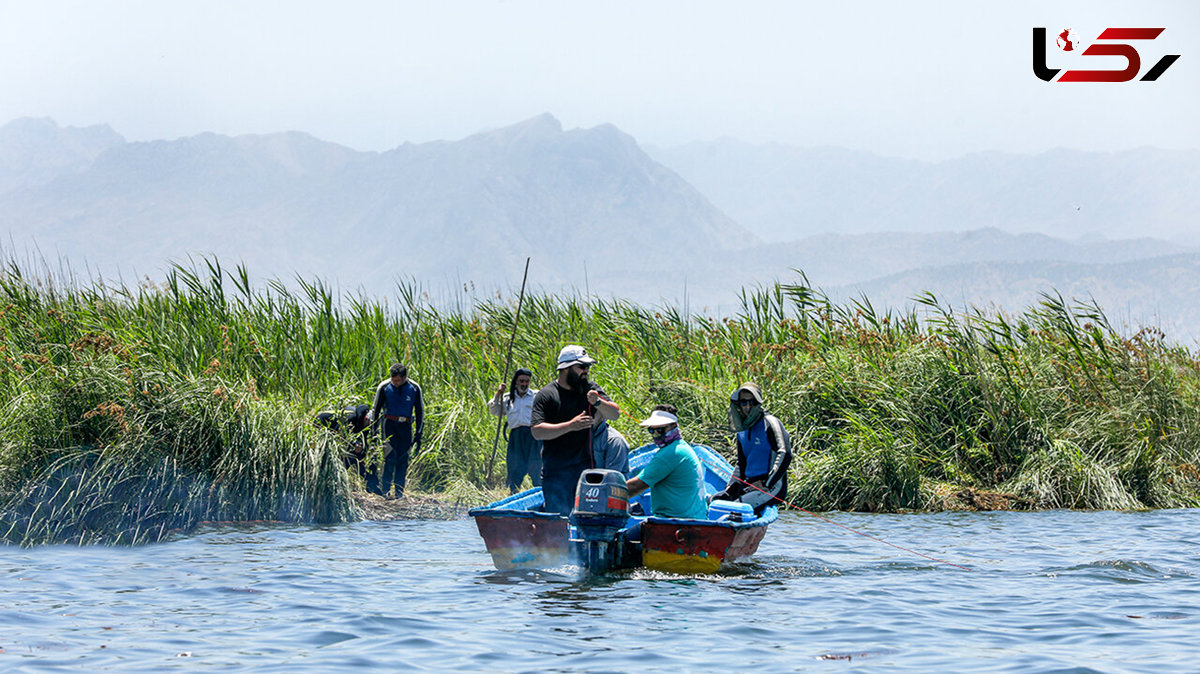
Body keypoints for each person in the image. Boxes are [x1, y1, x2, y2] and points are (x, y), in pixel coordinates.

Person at [530, 344, 620, 515]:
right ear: (565, 368)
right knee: (559, 521)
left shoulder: (590, 389)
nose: (586, 371)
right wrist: (571, 425)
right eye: (581, 367)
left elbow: (615, 414)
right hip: (556, 472)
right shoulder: (547, 395)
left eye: (588, 367)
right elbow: (537, 431)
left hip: (585, 472)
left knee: (585, 518)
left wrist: (598, 403)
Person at [712, 382, 792, 514]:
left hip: (771, 486)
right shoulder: (742, 429)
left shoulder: (770, 423)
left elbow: (785, 453)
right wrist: (731, 487)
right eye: (744, 402)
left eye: (752, 402)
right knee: (714, 502)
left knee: (732, 509)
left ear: (758, 402)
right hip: (749, 485)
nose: (748, 406)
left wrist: (766, 484)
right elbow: (741, 464)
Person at [625, 404, 708, 520]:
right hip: (691, 519)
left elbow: (635, 486)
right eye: (652, 431)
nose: (656, 435)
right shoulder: (682, 447)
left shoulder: (672, 453)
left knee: (622, 537)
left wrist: (604, 495)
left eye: (660, 430)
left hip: (677, 523)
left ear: (674, 426)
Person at [369, 363, 424, 499]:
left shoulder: (415, 388)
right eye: (394, 380)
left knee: (403, 459)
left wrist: (418, 434)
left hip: (405, 426)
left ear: (405, 377)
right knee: (390, 458)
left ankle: (399, 492)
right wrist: (373, 431)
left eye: (399, 380)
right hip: (389, 425)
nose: (396, 383)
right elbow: (376, 409)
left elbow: (420, 411)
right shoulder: (384, 387)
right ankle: (385, 491)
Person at [488, 367, 543, 493]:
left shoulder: (536, 396)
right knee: (515, 468)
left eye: (526, 381)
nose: (524, 384)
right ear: (516, 382)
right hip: (516, 438)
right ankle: (513, 495)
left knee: (536, 468)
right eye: (521, 381)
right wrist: (498, 394)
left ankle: (540, 498)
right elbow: (495, 411)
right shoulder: (507, 398)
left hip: (533, 436)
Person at [315, 404, 380, 495]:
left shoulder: (365, 424)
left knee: (357, 455)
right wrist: (355, 444)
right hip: (322, 425)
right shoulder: (351, 418)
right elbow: (342, 434)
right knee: (348, 456)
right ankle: (333, 481)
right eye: (370, 424)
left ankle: (370, 482)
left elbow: (363, 443)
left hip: (337, 430)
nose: (370, 427)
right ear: (366, 419)